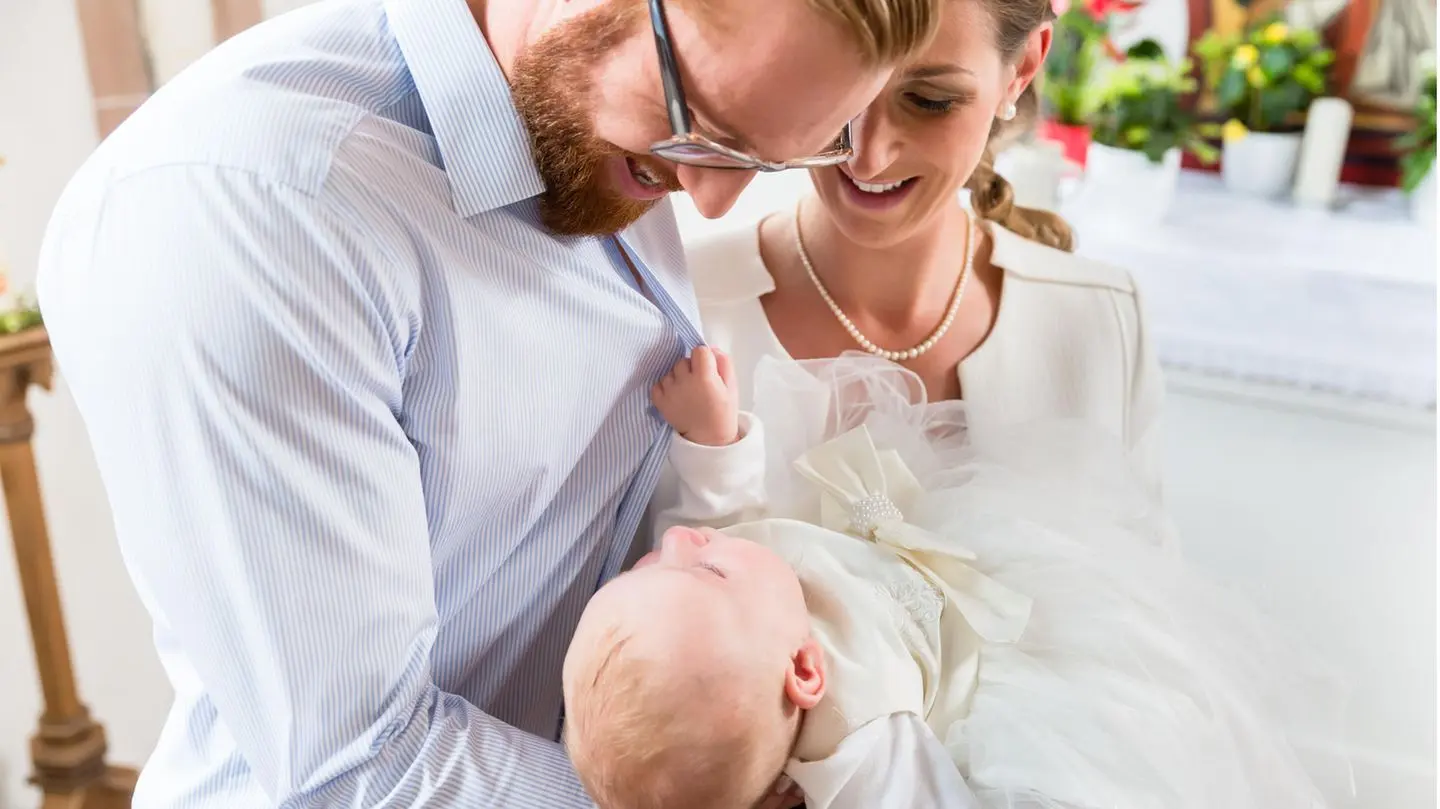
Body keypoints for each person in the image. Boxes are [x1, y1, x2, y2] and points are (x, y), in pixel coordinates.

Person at [34, 0, 945, 806]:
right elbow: (359, 772)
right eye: (697, 122)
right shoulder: (257, 212)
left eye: (762, 157)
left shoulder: (590, 121)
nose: (708, 199)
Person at [564, 348, 1342, 809]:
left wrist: (714, 434)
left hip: (934, 548)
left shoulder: (721, 611)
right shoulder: (861, 739)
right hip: (986, 660)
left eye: (649, 563)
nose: (683, 540)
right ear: (805, 669)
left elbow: (718, 510)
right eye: (703, 565)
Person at [658, 0, 1168, 513]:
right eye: (839, 84)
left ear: (1022, 69)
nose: (867, 156)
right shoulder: (680, 310)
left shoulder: (1102, 321)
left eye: (928, 101)